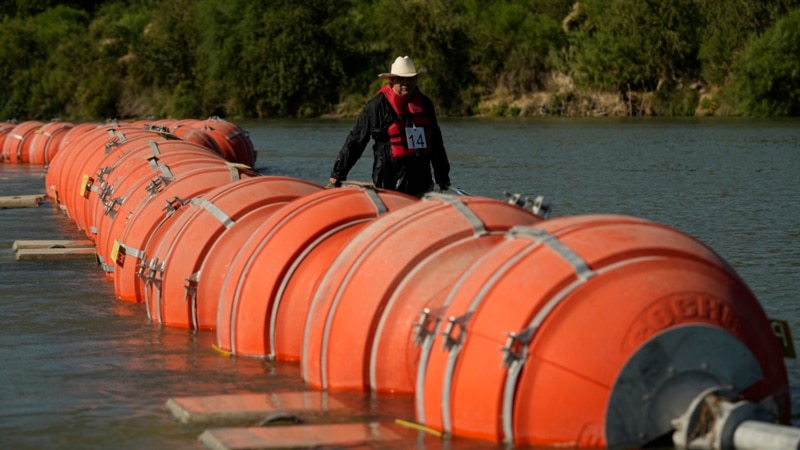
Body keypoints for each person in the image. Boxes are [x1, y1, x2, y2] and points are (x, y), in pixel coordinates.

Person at [328, 55, 451, 197]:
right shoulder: (376, 106)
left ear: (416, 79)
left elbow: (436, 142)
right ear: (392, 80)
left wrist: (442, 177)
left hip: (421, 181)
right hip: (388, 181)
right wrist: (338, 172)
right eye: (401, 79)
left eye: (410, 78)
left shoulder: (425, 104)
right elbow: (356, 140)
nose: (406, 83)